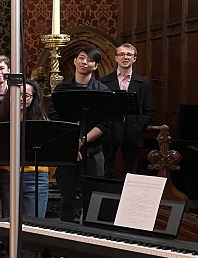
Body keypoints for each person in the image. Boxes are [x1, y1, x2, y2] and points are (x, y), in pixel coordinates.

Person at [0, 78, 50, 258]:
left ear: (33, 99)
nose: (22, 100)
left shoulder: (41, 121)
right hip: (9, 176)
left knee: (34, 230)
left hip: (35, 177)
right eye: (18, 95)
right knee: (15, 232)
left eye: (27, 96)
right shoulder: (2, 121)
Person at [49, 47, 112, 222]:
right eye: (82, 58)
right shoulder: (62, 89)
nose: (85, 62)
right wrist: (71, 142)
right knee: (66, 200)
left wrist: (82, 141)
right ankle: (66, 235)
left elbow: (105, 123)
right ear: (75, 61)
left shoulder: (102, 91)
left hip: (93, 152)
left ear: (96, 66)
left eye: (90, 60)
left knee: (93, 200)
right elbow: (55, 117)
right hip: (67, 152)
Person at [99, 43, 155, 177]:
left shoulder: (143, 83)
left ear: (134, 58)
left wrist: (138, 126)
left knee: (131, 171)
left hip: (132, 131)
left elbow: (149, 110)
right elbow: (100, 108)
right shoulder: (103, 81)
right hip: (110, 131)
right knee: (106, 170)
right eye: (122, 54)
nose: (125, 57)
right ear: (116, 58)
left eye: (129, 55)